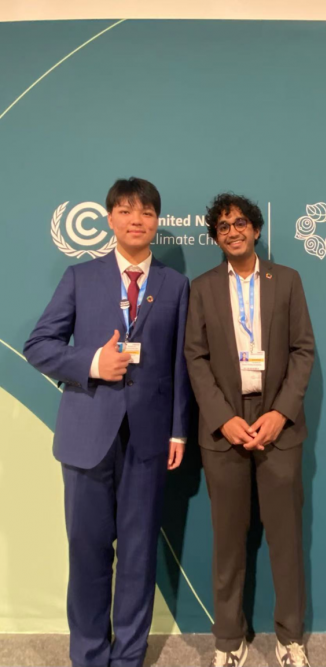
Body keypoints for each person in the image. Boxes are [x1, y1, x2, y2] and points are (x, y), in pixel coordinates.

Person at [24, 177, 190, 667]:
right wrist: (94, 363)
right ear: (110, 218)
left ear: (156, 221)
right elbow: (39, 345)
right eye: (126, 210)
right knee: (88, 554)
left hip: (149, 440)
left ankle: (129, 656)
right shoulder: (80, 276)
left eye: (146, 212)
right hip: (86, 438)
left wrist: (178, 429)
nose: (137, 220)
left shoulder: (175, 285)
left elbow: (181, 365)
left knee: (138, 556)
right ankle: (90, 655)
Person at [184, 193, 315, 667]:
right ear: (216, 238)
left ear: (256, 229)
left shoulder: (288, 281)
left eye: (240, 223)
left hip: (278, 423)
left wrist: (281, 413)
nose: (232, 231)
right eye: (223, 226)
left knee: (286, 539)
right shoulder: (202, 288)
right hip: (226, 427)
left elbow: (303, 350)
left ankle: (290, 637)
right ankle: (228, 640)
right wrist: (223, 417)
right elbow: (195, 357)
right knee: (227, 541)